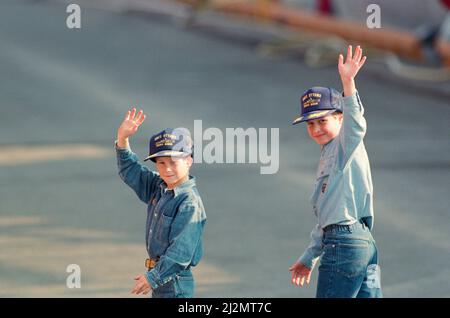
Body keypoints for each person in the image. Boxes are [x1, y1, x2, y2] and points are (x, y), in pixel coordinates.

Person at [289, 45, 382, 298]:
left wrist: (348, 82)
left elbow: (355, 123)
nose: (316, 129)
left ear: (339, 118)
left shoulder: (345, 144)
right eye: (310, 124)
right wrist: (310, 256)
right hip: (361, 244)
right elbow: (327, 215)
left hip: (346, 245)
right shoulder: (329, 153)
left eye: (322, 120)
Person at [115, 108, 206, 298]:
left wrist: (152, 278)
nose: (167, 169)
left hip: (175, 284)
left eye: (174, 162)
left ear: (189, 160)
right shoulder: (159, 186)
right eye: (161, 163)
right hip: (162, 280)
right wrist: (123, 139)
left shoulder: (188, 202)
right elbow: (131, 172)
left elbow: (180, 254)